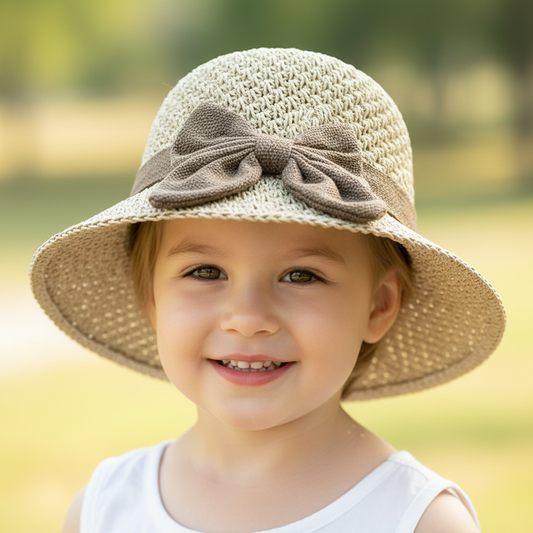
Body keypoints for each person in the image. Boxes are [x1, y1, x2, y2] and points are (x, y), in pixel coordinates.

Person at [30, 48, 505, 533]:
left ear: (379, 305)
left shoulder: (418, 520)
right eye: (206, 272)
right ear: (151, 297)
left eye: (301, 275)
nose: (248, 316)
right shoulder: (104, 509)